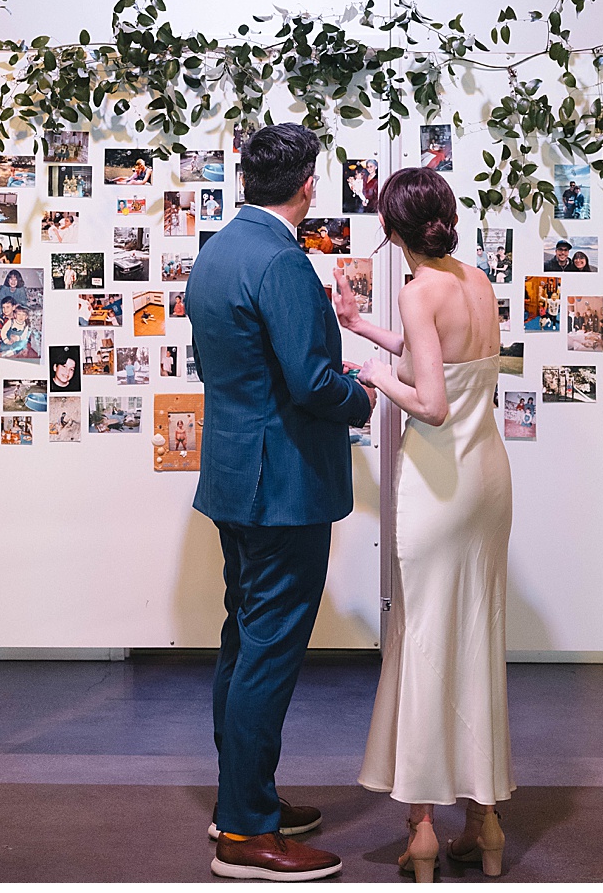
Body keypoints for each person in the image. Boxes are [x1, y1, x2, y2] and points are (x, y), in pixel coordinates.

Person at [186, 123, 374, 882]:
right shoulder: (283, 262)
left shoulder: (218, 252)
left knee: (244, 640)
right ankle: (245, 832)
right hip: (284, 488)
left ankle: (244, 797)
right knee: (268, 650)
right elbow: (311, 382)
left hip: (236, 477)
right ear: (307, 185)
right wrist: (361, 393)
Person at [334, 166, 513, 882]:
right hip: (489, 480)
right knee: (475, 640)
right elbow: (445, 357)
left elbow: (432, 402)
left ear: (388, 229)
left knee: (424, 646)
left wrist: (374, 374)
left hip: (440, 484)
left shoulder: (416, 290)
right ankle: (487, 823)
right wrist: (363, 328)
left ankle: (422, 832)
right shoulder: (474, 281)